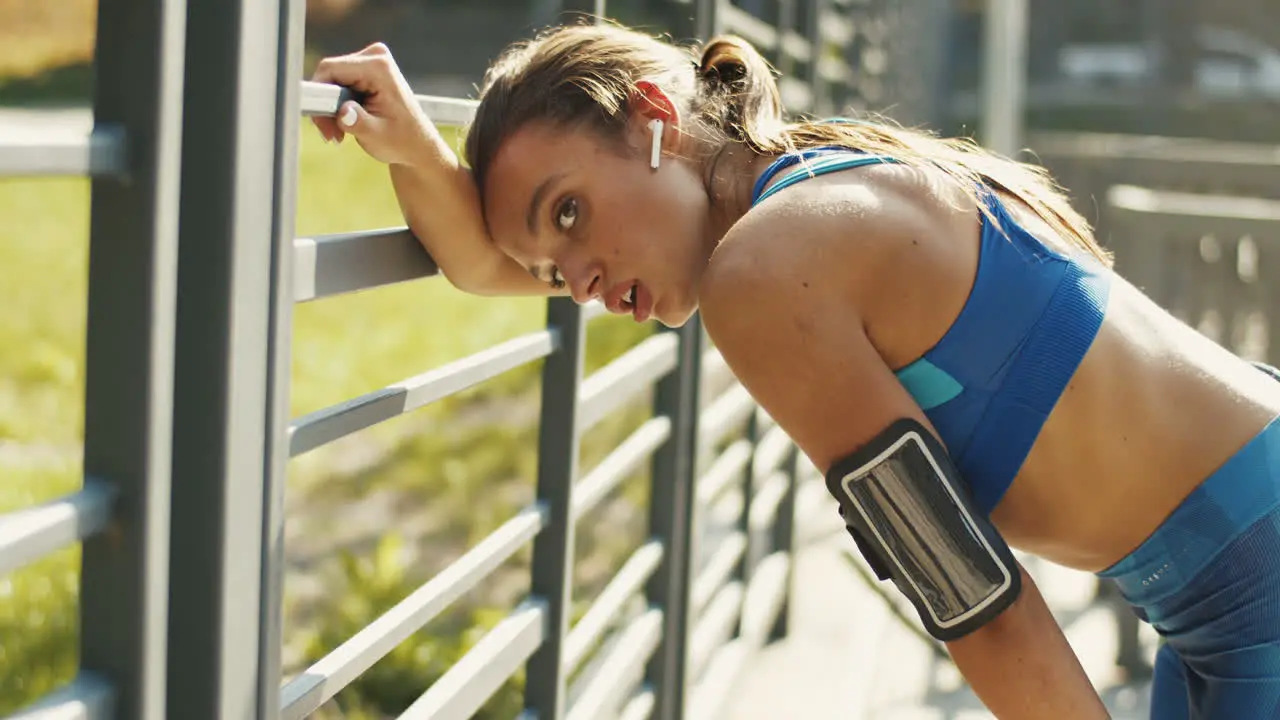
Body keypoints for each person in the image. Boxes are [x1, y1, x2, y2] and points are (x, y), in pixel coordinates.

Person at [310, 20, 1280, 719]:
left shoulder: (768, 272)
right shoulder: (814, 183)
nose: (583, 285)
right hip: (1216, 591)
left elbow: (973, 598)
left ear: (655, 116)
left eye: (570, 214)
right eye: (556, 272)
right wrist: (409, 145)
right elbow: (488, 266)